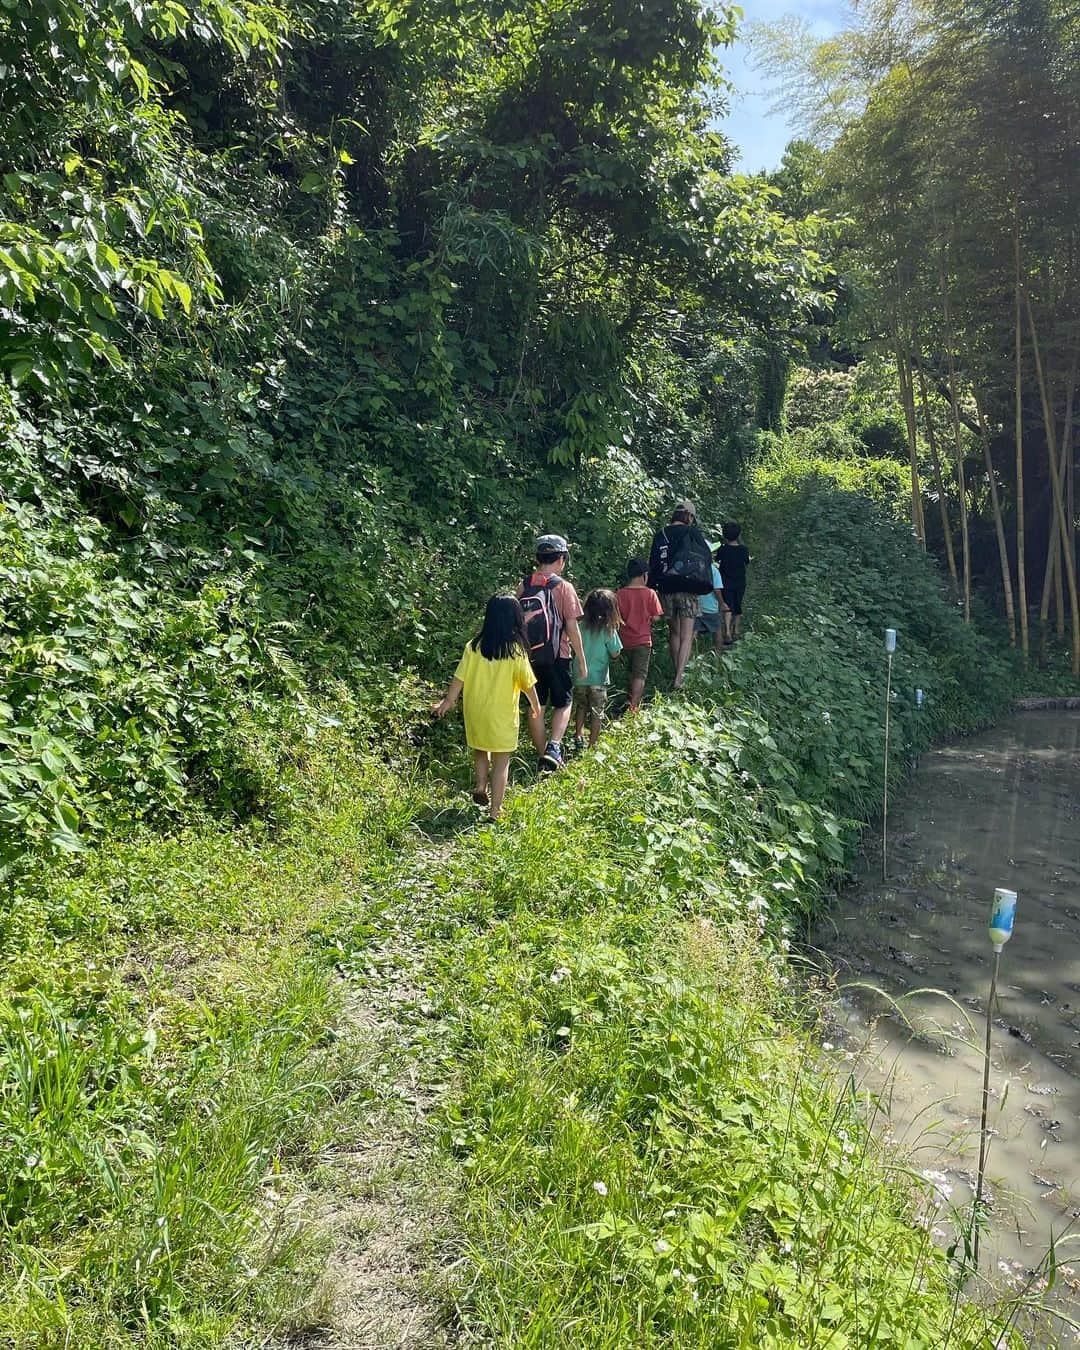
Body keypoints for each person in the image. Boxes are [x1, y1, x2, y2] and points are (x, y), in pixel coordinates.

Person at [431, 595, 542, 822]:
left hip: (475, 711)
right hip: (502, 714)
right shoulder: (515, 651)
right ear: (515, 620)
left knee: (481, 750)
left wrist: (448, 701)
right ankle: (495, 812)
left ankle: (481, 785)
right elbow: (527, 684)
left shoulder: (473, 646)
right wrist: (536, 705)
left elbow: (459, 678)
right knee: (502, 763)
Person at [518, 533, 587, 772]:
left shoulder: (525, 585)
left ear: (538, 558)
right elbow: (572, 626)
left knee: (536, 706)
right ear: (561, 559)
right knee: (564, 703)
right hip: (558, 655)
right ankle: (554, 748)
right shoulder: (564, 587)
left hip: (530, 658)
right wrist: (581, 660)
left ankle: (542, 755)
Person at [647, 500, 712, 688]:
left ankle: (677, 669)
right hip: (688, 588)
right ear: (688, 516)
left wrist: (654, 588)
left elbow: (653, 563)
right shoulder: (691, 532)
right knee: (686, 634)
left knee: (673, 633)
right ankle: (679, 677)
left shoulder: (661, 534)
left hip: (666, 588)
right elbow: (705, 555)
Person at [572, 589, 623, 750]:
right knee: (597, 712)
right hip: (599, 679)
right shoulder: (608, 629)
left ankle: (578, 735)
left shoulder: (580, 626)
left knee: (581, 705)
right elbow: (615, 653)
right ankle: (593, 745)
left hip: (579, 676)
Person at [616, 558, 663, 711]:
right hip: (643, 640)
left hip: (624, 639)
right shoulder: (650, 593)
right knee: (640, 674)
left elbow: (616, 616)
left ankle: (629, 698)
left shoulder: (620, 594)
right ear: (644, 575)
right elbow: (656, 616)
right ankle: (633, 706)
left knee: (630, 671)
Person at [716, 521, 751, 643]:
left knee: (728, 605)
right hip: (740, 581)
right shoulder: (743, 549)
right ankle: (736, 630)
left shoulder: (723, 549)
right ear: (738, 535)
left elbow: (717, 561)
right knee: (737, 604)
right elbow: (746, 563)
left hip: (725, 581)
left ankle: (727, 632)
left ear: (725, 535)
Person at [694, 546, 727, 653]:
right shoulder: (713, 570)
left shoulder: (693, 569)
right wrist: (722, 603)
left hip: (695, 606)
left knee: (693, 631)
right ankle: (718, 654)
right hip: (710, 607)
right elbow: (717, 590)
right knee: (717, 630)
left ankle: (691, 656)